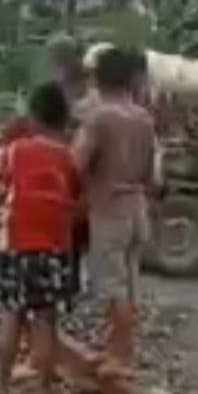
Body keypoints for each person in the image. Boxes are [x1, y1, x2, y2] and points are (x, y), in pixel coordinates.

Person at [0, 82, 81, 394]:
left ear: (33, 116)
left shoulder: (17, 150)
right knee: (46, 320)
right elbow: (74, 195)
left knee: (12, 316)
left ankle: (1, 390)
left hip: (17, 245)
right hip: (54, 248)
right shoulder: (68, 157)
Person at [72, 47, 156, 377]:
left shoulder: (100, 117)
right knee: (129, 282)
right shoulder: (144, 119)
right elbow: (151, 175)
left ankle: (122, 358)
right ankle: (117, 349)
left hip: (109, 210)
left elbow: (76, 163)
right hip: (138, 209)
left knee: (114, 287)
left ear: (98, 78)